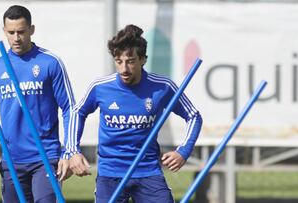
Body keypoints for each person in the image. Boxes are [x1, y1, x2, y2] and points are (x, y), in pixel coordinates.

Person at [67, 24, 202, 202]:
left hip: (148, 171)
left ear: (143, 59)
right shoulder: (100, 87)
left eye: (130, 61)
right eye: (119, 61)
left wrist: (183, 152)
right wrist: (72, 151)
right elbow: (77, 113)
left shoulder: (162, 86)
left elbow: (193, 116)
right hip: (110, 174)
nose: (124, 69)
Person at [0, 5, 74, 202]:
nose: (16, 38)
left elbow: (69, 107)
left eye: (21, 32)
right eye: (11, 33)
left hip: (45, 157)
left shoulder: (50, 62)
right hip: (13, 159)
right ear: (4, 31)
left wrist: (68, 151)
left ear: (32, 30)